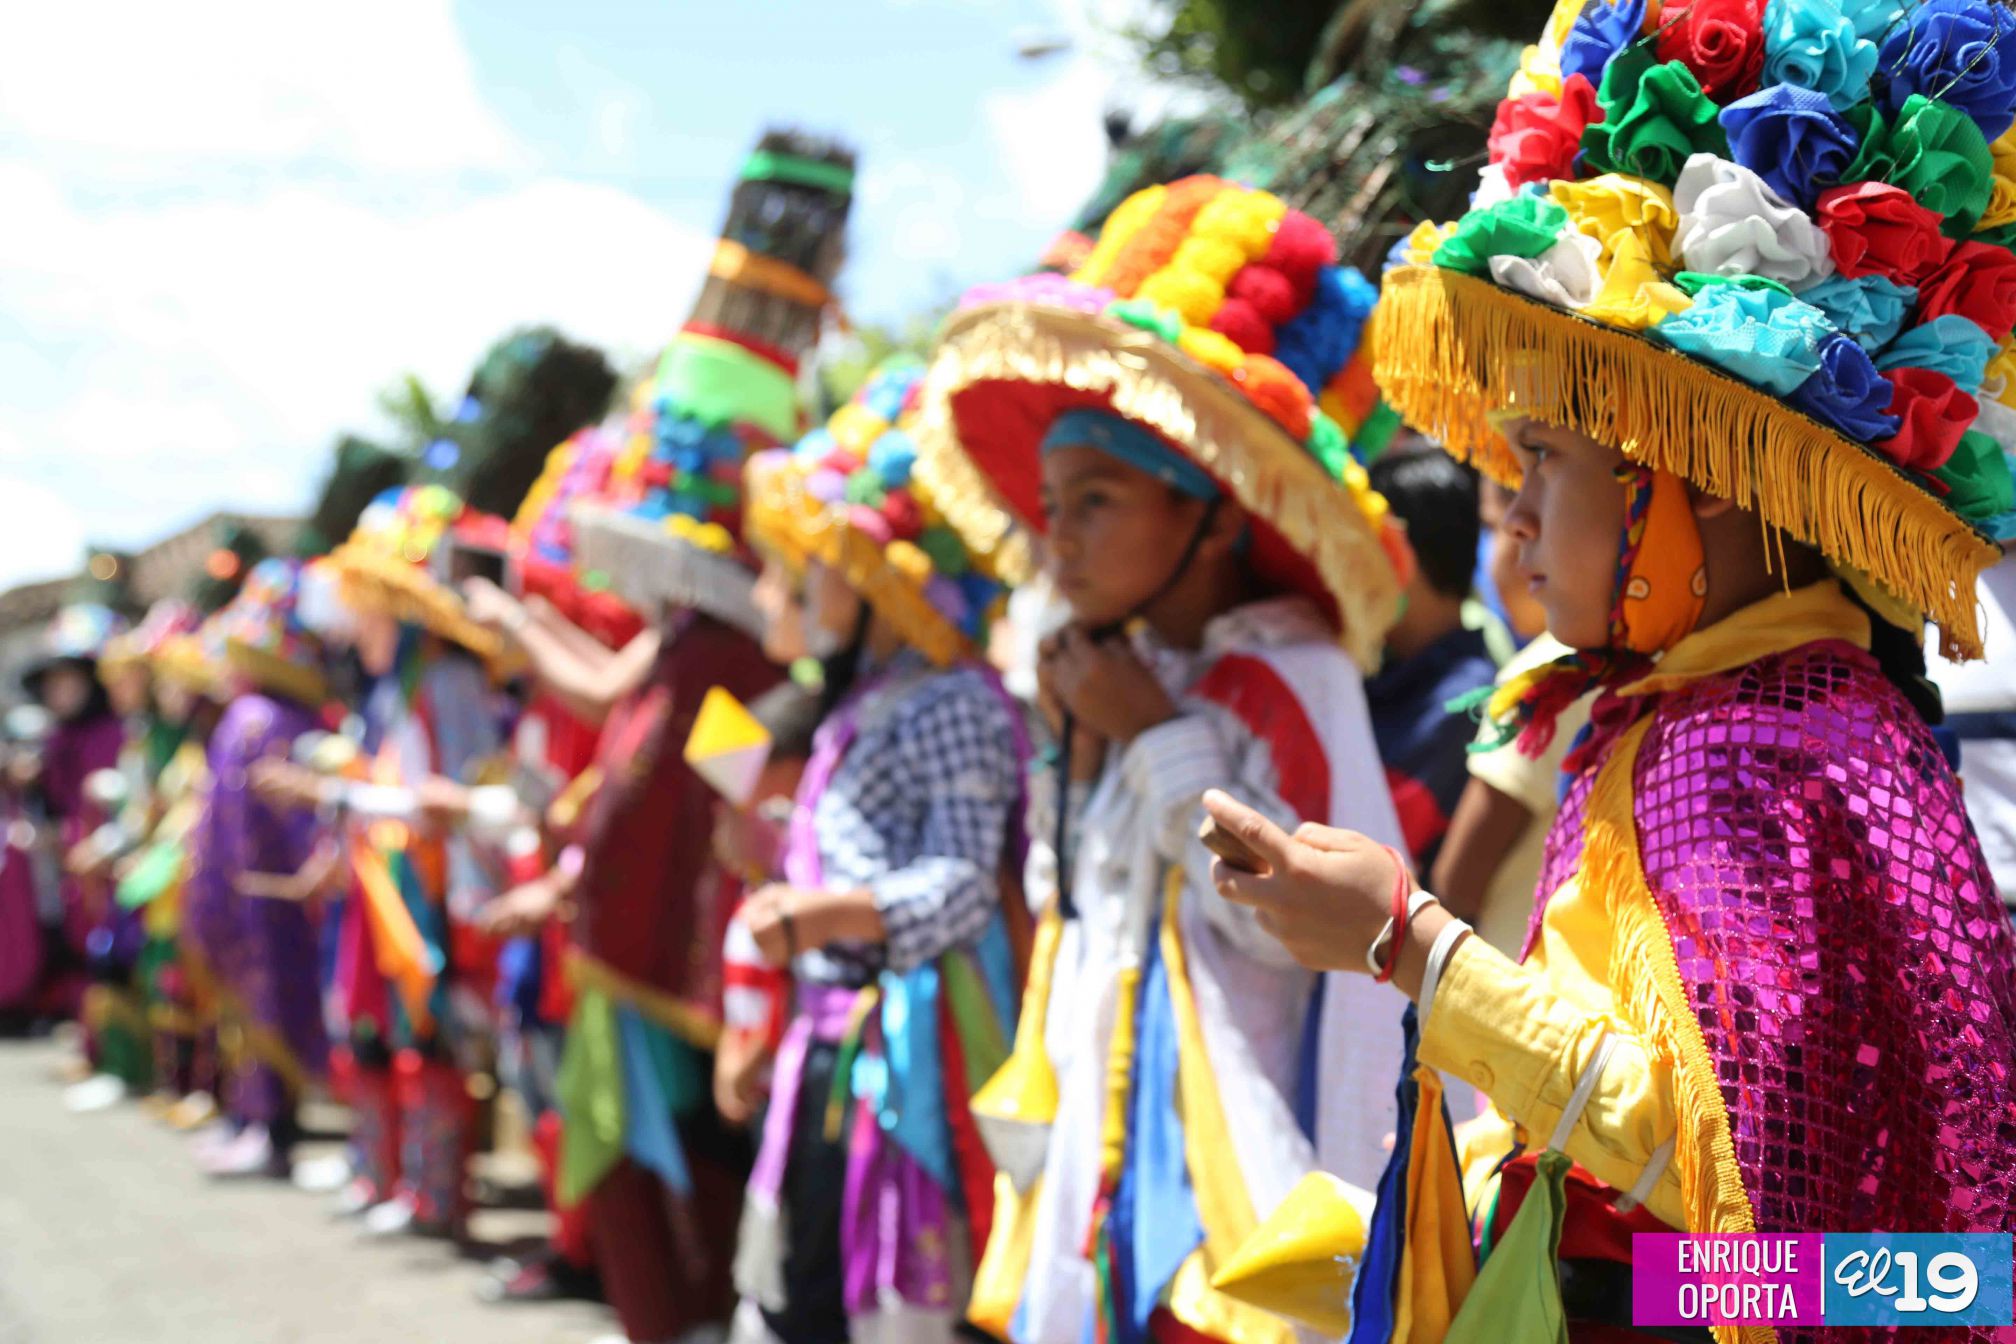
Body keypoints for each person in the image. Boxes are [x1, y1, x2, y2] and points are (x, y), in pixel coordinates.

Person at [1204, 4, 2016, 1332]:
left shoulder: (1753, 740)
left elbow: (1716, 1190)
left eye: (1548, 464)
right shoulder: (1733, 712)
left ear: (1694, 478)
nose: (1510, 518)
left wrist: (1407, 946)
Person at [917, 176, 1415, 1344]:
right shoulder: (1119, 669)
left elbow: (1288, 928)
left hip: (1242, 1151)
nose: (1060, 538)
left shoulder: (1295, 675)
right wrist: (1091, 739)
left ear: (1211, 510)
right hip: (1111, 1142)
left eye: (1096, 500)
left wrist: (1152, 738)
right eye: (1051, 504)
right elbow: (1071, 904)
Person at [727, 362, 1029, 1344]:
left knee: (873, 1295)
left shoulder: (952, 701)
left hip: (904, 1052)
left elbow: (959, 882)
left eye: (824, 562)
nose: (802, 584)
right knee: (812, 1286)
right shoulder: (867, 701)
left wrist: (819, 914)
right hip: (839, 1026)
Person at [181, 560, 335, 1178]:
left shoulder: (255, 720)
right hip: (262, 887)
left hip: (258, 890)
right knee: (260, 1007)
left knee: (268, 1003)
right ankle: (256, 1122)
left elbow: (250, 823)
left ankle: (270, 1128)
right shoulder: (278, 719)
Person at [1359, 446, 1498, 872]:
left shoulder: (1465, 700)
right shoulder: (1381, 664)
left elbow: (1365, 839)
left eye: (1363, 544)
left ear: (1402, 554)